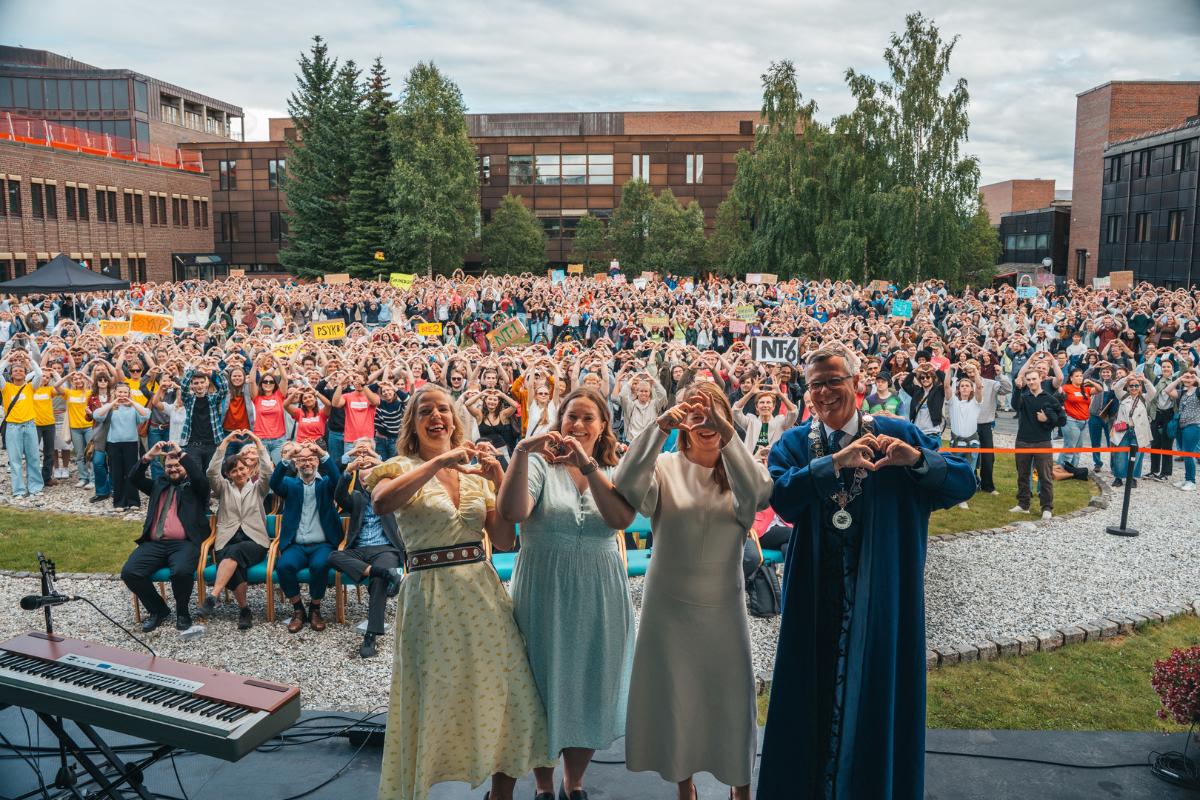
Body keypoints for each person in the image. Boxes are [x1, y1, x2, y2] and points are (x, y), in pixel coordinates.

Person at [758, 343, 976, 800]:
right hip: (816, 594)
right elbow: (782, 499)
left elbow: (962, 482)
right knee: (809, 695)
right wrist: (832, 463)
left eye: (833, 381)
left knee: (876, 690)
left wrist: (917, 461)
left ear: (857, 383)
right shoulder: (796, 443)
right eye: (814, 385)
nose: (823, 392)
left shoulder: (897, 433)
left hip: (882, 591)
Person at [367, 385, 550, 800]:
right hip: (429, 594)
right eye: (425, 411)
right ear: (413, 425)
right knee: (434, 692)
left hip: (481, 591)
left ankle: (501, 793)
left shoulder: (472, 474)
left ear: (454, 419)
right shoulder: (397, 466)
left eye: (443, 410)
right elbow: (381, 503)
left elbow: (503, 540)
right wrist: (440, 461)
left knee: (509, 690)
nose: (436, 417)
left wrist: (497, 477)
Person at [613, 381, 772, 800]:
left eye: (713, 409)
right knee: (676, 696)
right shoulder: (665, 466)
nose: (704, 419)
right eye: (694, 411)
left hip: (723, 603)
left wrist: (727, 432)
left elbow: (758, 495)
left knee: (731, 695)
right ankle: (684, 785)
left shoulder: (740, 468)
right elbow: (626, 481)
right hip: (668, 604)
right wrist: (660, 426)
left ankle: (741, 787)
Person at [497, 388, 635, 800]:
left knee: (593, 679)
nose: (577, 424)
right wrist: (521, 452)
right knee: (541, 682)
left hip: (600, 586)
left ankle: (574, 782)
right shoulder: (539, 463)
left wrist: (588, 466)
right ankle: (542, 784)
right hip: (545, 586)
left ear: (603, 426)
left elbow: (620, 519)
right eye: (571, 416)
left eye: (588, 418)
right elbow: (513, 513)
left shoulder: (614, 467)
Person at [121, 441, 212, 632]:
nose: (173, 469)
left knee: (181, 572)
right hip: (154, 544)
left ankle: (182, 612)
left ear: (185, 466)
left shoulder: (196, 488)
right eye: (169, 466)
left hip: (184, 543)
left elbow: (199, 477)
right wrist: (149, 456)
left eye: (177, 465)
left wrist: (181, 454)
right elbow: (133, 478)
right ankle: (159, 610)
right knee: (130, 572)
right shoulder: (158, 485)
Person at [330, 443, 405, 659]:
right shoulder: (356, 497)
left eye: (371, 478)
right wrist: (348, 472)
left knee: (378, 582)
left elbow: (401, 480)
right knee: (333, 556)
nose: (367, 482)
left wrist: (380, 463)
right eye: (363, 479)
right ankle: (386, 573)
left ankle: (371, 635)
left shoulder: (390, 496)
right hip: (359, 549)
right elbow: (339, 495)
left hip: (385, 549)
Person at [201, 430, 273, 630]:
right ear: (228, 474)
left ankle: (213, 596)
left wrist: (257, 442)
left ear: (249, 470)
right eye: (234, 471)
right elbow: (211, 473)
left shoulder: (259, 488)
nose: (239, 473)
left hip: (255, 542)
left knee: (235, 552)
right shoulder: (223, 488)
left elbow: (268, 471)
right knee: (234, 563)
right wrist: (224, 443)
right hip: (226, 540)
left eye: (242, 469)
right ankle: (244, 610)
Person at [270, 440, 343, 633]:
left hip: (323, 544)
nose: (307, 463)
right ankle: (298, 609)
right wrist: (287, 457)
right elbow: (274, 483)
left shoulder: (326, 484)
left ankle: (315, 609)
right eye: (302, 460)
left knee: (320, 566)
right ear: (296, 464)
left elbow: (339, 481)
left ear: (317, 462)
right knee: (284, 566)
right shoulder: (289, 484)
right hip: (296, 545)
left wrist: (322, 453)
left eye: (311, 459)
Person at [1010, 360, 1065, 518]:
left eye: (1034, 379)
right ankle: (1023, 504)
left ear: (1041, 378)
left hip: (1043, 442)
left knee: (1045, 476)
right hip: (1023, 441)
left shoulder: (1050, 398)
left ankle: (1046, 507)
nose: (1031, 382)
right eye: (1028, 380)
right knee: (1023, 475)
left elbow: (1062, 420)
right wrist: (1017, 389)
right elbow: (1015, 405)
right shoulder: (1024, 396)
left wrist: (1047, 419)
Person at [93, 382, 151, 511]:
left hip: (131, 444)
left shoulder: (133, 408)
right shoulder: (109, 407)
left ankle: (133, 501)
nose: (122, 394)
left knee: (131, 472)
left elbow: (146, 414)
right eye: (120, 392)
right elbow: (96, 415)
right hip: (113, 444)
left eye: (125, 392)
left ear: (129, 394)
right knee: (116, 473)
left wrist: (131, 402)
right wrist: (113, 403)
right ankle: (119, 502)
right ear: (115, 392)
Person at [1, 357, 44, 500]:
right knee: (15, 460)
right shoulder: (6, 387)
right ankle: (18, 490)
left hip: (29, 425)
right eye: (15, 370)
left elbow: (39, 374)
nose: (18, 372)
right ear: (11, 374)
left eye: (21, 370)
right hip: (13, 427)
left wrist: (29, 360)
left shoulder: (30, 387)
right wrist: (8, 360)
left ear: (26, 374)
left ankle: (35, 488)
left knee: (33, 458)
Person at [1109, 373, 1155, 489]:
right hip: (1123, 430)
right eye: (1131, 386)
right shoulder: (1123, 396)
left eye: (1136, 385)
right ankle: (1119, 477)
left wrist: (1145, 380)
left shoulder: (1144, 398)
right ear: (1128, 387)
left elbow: (1153, 391)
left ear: (1140, 387)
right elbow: (1117, 387)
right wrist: (1127, 378)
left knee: (1137, 456)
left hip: (1138, 431)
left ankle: (1133, 478)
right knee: (1120, 455)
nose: (1134, 388)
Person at [1164, 368, 1199, 491]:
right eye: (1186, 377)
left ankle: (1192, 481)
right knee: (1185, 453)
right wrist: (1179, 379)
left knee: (1189, 453)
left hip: (1193, 426)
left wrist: (1196, 378)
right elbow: (1167, 390)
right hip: (1181, 426)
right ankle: (1187, 478)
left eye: (1190, 377)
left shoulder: (1198, 391)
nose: (1188, 379)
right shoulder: (1182, 392)